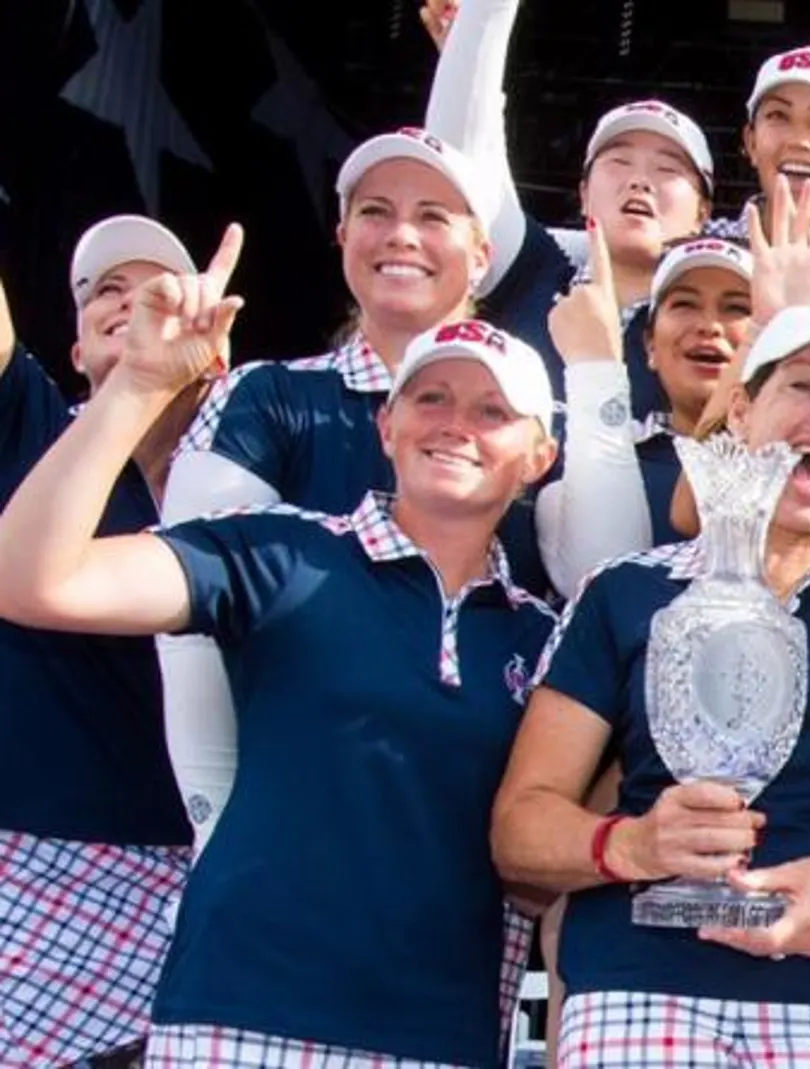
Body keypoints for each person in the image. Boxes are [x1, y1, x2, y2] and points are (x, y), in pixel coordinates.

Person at [0, 229, 563, 1067]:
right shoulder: (281, 553)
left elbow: (542, 859)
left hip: (437, 1038)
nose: (456, 425)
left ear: (540, 455)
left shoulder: (544, 639)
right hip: (236, 1022)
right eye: (431, 399)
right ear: (386, 423)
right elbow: (33, 579)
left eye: (493, 410)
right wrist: (140, 389)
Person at [492, 304, 810, 1067]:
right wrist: (630, 843)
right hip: (638, 991)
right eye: (803, 386)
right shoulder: (625, 591)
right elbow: (519, 829)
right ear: (741, 409)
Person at [157, 125, 532, 853]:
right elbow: (189, 630)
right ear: (341, 233)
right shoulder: (266, 395)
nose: (401, 235)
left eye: (433, 216)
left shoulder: (532, 420)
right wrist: (218, 824)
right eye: (375, 211)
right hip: (285, 830)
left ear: (482, 255)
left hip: (463, 839)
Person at [0, 216, 200, 1069]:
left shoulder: (271, 464)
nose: (129, 302)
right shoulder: (40, 436)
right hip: (33, 865)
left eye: (158, 288)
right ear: (75, 354)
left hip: (224, 881)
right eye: (104, 293)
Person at [424, 0, 714, 418]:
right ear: (583, 193)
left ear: (704, 213)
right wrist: (476, 32)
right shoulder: (531, 270)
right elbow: (461, 170)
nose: (639, 180)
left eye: (667, 169)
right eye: (618, 162)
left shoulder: (718, 324)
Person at [537, 228, 756, 596]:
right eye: (685, 304)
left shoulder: (792, 469)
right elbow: (598, 585)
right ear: (650, 346)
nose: (708, 325)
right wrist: (595, 365)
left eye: (737, 308)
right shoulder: (592, 460)